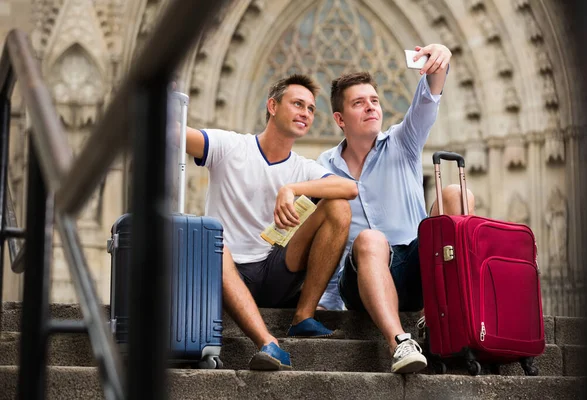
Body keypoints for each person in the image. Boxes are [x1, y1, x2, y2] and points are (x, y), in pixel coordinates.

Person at [178, 74, 358, 371]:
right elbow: (176, 136)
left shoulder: (302, 167)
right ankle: (268, 343)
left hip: (275, 272)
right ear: (272, 106)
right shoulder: (230, 146)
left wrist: (292, 189)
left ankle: (303, 316)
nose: (305, 113)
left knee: (338, 208)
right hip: (226, 273)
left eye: (311, 109)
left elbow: (349, 189)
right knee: (212, 241)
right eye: (297, 104)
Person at [316, 44, 475, 373]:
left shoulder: (404, 140)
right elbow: (324, 235)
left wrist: (440, 60)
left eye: (374, 101)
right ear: (339, 118)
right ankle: (400, 343)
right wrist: (326, 307)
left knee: (457, 194)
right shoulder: (322, 167)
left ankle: (434, 322)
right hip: (361, 278)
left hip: (418, 268)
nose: (371, 108)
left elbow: (428, 99)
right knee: (371, 240)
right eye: (359, 103)